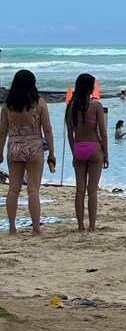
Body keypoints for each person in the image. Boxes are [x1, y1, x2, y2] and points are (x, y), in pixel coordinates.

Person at [0, 70, 56, 236]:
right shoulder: (39, 103)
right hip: (34, 147)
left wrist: (0, 151)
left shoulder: (8, 105)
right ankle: (36, 229)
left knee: (13, 190)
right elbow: (47, 129)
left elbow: (2, 132)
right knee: (33, 190)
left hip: (14, 147)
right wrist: (51, 152)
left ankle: (12, 228)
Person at [65, 73, 108, 232]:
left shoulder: (71, 106)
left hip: (78, 147)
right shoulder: (96, 105)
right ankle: (92, 226)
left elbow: (70, 134)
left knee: (80, 190)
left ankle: (80, 226)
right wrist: (106, 153)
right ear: (90, 87)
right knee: (92, 190)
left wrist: (74, 152)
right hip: (94, 147)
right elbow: (102, 132)